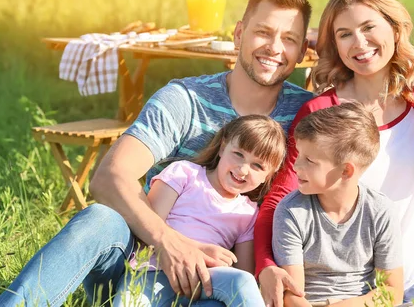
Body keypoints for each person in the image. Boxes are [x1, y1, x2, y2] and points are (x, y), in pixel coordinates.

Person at [0, 0, 312, 307]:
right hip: (143, 263)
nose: (274, 47)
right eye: (263, 32)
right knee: (99, 219)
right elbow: (109, 177)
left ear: (303, 52)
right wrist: (166, 242)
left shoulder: (308, 116)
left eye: (289, 39)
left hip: (219, 281)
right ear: (239, 33)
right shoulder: (186, 99)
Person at [254, 0, 414, 307]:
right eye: (345, 34)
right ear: (335, 45)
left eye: (369, 28)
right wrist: (265, 266)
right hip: (353, 278)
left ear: (394, 30)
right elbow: (280, 198)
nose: (360, 43)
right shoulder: (325, 111)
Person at [114, 114, 286, 307]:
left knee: (241, 282)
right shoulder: (184, 173)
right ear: (223, 147)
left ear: (268, 176)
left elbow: (244, 273)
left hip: (205, 282)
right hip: (153, 271)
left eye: (257, 166)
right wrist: (198, 249)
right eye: (238, 154)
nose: (243, 169)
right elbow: (148, 229)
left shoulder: (247, 213)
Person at [273, 102, 403, 307]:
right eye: (298, 154)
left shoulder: (380, 211)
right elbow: (291, 294)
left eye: (309, 160)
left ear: (345, 171)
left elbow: (392, 291)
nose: (296, 165)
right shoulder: (291, 211)